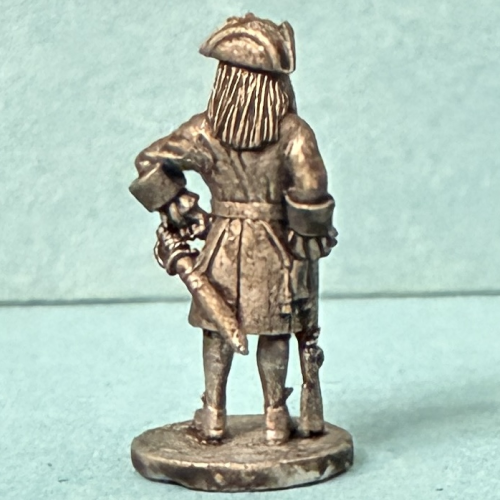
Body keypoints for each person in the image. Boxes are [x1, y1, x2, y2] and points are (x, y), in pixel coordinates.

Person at [130, 13, 337, 445]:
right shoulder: (293, 134)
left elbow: (149, 161)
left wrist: (174, 203)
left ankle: (214, 413)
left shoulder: (203, 131)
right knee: (275, 330)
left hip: (220, 242)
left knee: (216, 331)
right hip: (276, 248)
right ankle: (275, 416)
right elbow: (312, 188)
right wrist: (308, 237)